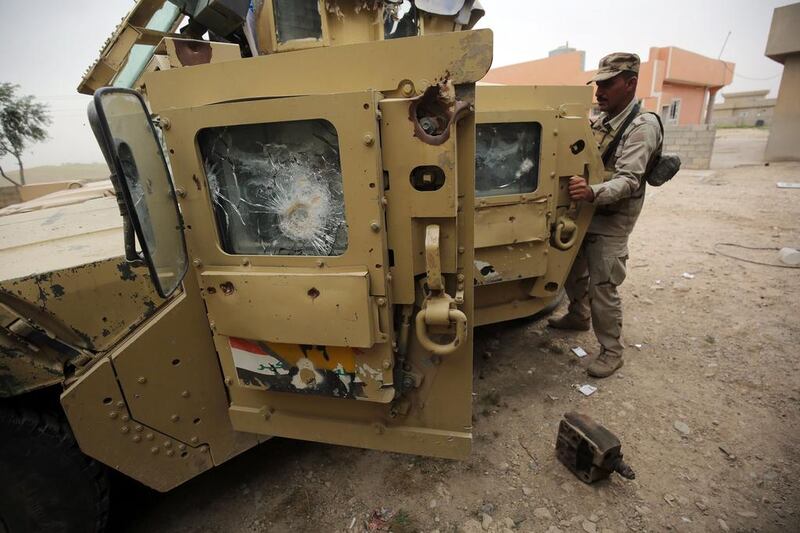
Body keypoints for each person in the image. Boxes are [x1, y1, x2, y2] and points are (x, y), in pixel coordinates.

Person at [548, 52, 663, 378]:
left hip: (612, 218)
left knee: (603, 283)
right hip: (588, 210)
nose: (599, 91)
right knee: (570, 267)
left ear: (630, 84)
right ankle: (579, 315)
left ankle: (612, 352)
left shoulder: (642, 127)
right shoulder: (603, 120)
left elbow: (628, 180)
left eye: (608, 84)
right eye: (598, 84)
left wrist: (591, 192)